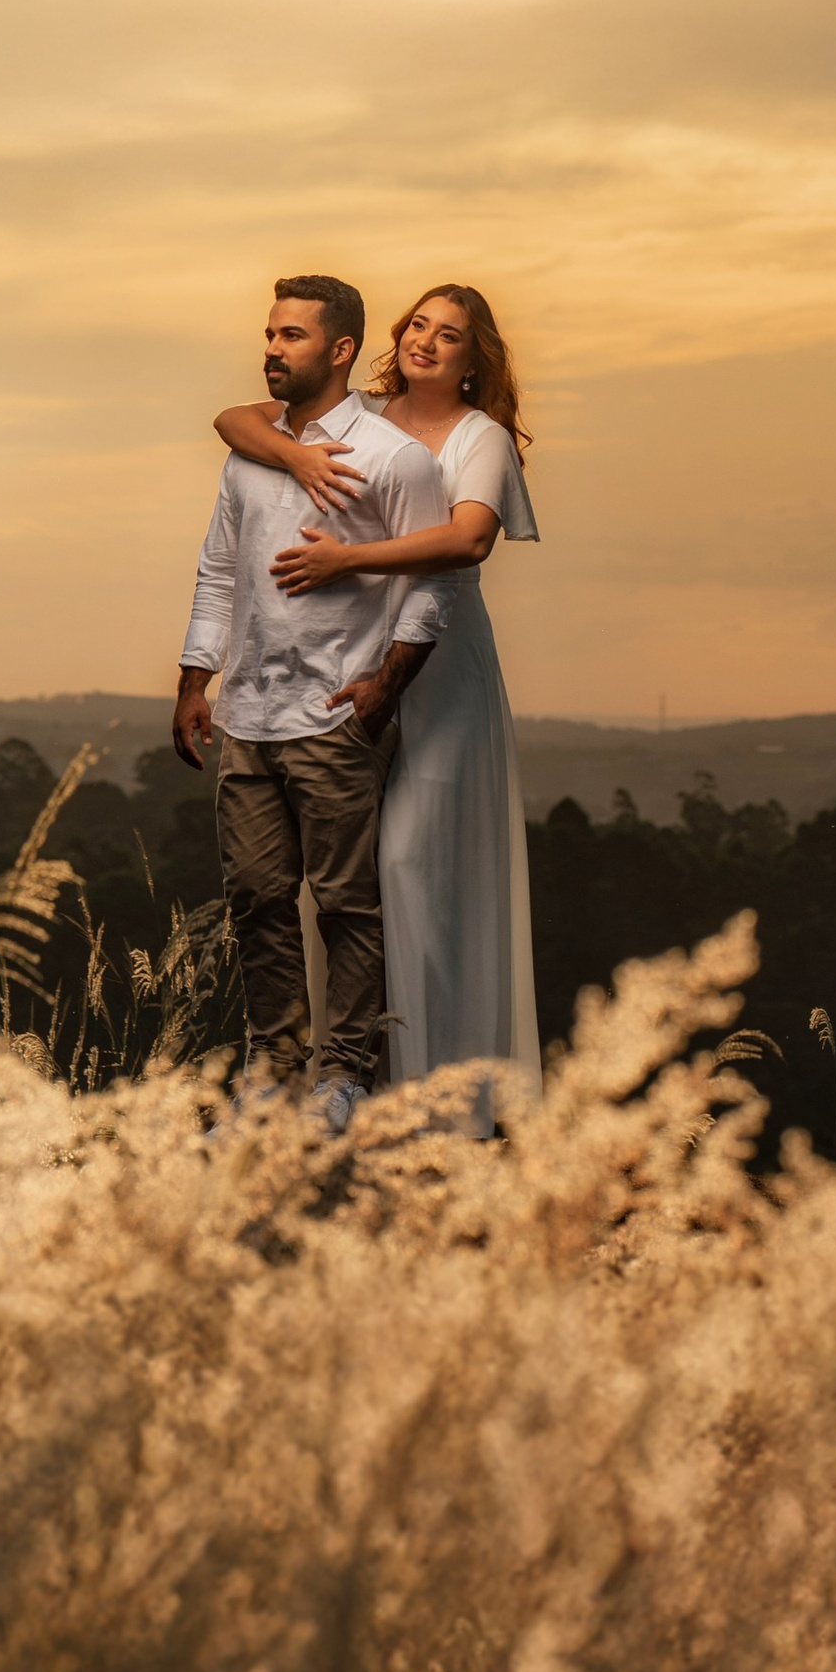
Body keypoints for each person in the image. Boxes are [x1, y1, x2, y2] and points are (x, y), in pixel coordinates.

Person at [214, 281, 540, 1113]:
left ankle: (440, 1084)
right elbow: (236, 420)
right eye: (419, 326)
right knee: (350, 880)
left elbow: (466, 542)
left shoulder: (482, 437)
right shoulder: (364, 419)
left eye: (452, 335)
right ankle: (335, 1078)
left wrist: (345, 562)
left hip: (437, 672)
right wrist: (293, 455)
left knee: (408, 868)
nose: (429, 342)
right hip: (346, 666)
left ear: (476, 360)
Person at [173, 275, 454, 1126]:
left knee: (344, 905)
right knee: (257, 903)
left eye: (291, 336)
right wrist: (197, 677)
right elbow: (219, 570)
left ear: (339, 350)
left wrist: (382, 691)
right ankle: (271, 1073)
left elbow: (430, 587)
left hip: (335, 718)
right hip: (248, 715)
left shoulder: (396, 459)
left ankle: (344, 1075)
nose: (270, 350)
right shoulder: (248, 457)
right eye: (268, 334)